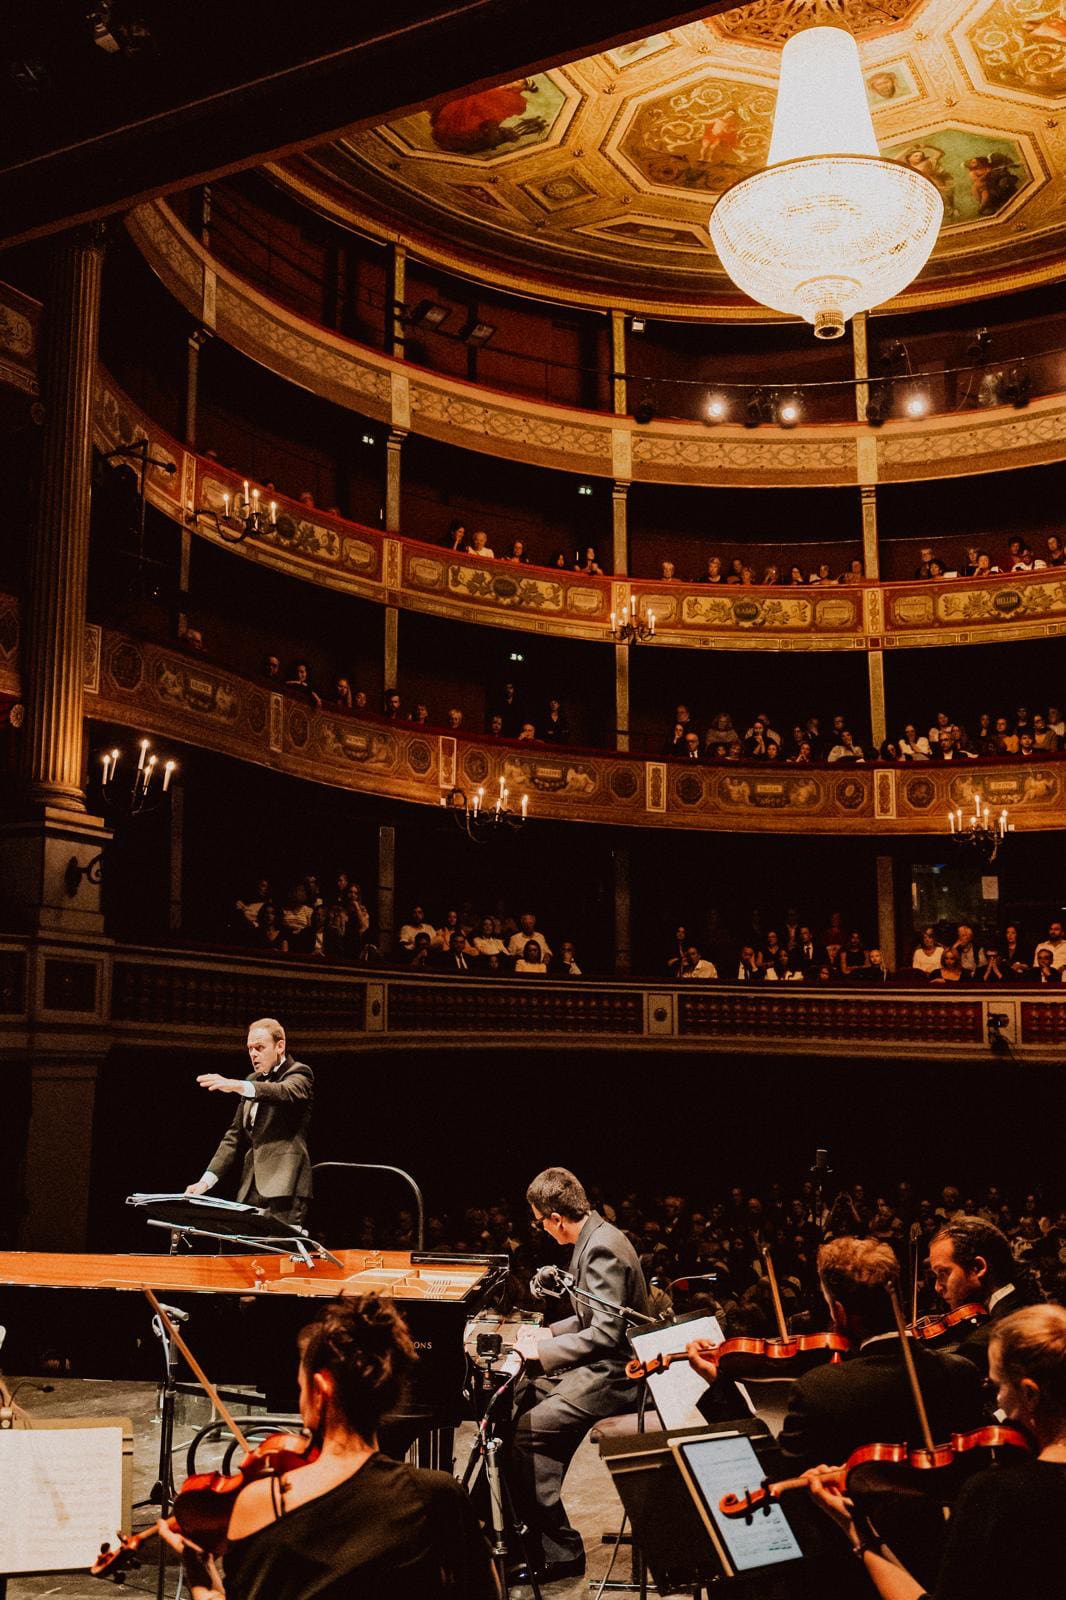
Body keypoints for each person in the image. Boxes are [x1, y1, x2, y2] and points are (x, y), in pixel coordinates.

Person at [690, 1237, 984, 1588]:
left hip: (858, 1571)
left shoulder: (820, 1390)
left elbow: (782, 1487)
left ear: (840, 1312)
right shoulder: (960, 1372)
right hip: (946, 1563)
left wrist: (721, 1387)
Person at [162, 1293, 497, 1599]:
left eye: (302, 1385)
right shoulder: (436, 1496)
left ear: (320, 1390)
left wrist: (202, 1578)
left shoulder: (259, 1504)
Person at [808, 1303, 1066, 1600]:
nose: (998, 1402)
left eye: (998, 1387)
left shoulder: (999, 1495)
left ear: (1030, 1394)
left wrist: (856, 1530)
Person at [510, 1168, 649, 1583]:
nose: (540, 1228)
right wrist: (548, 1334)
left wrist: (542, 1352)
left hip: (618, 1377)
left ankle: (560, 1552)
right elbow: (595, 1316)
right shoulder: (596, 1236)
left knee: (528, 1433)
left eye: (539, 1221)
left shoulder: (601, 1247)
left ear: (555, 1218)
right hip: (603, 1367)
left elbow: (606, 1334)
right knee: (521, 1397)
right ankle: (512, 1534)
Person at [185, 1018, 313, 1227]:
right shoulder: (252, 1079)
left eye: (260, 1048)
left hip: (285, 1186)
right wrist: (205, 1182)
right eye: (250, 1048)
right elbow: (233, 1137)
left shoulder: (300, 1073)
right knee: (243, 1244)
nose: (253, 1054)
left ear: (280, 1046)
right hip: (250, 1186)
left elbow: (283, 1091)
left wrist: (238, 1085)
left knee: (278, 1246)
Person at [928, 1214, 1042, 1372]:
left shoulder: (981, 1345)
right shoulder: (1030, 1303)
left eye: (944, 1272)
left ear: (978, 1268)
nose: (937, 1287)